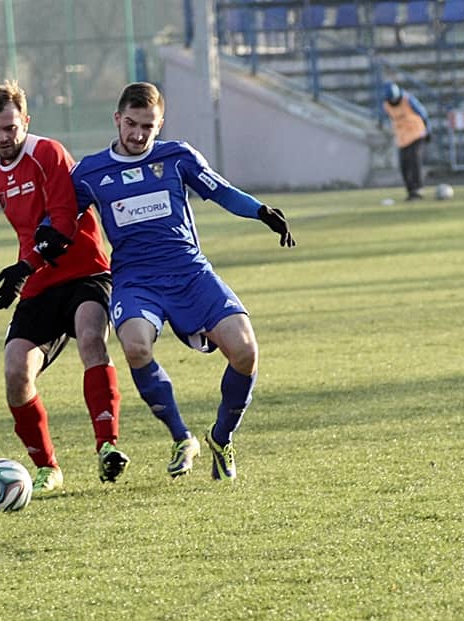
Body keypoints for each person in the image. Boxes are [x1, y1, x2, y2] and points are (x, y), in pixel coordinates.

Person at [70, 82, 295, 481]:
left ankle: (221, 438)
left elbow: (221, 191)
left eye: (148, 126)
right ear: (117, 119)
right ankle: (181, 437)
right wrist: (37, 250)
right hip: (136, 280)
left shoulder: (177, 157)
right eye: (132, 123)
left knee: (245, 351)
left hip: (190, 273)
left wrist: (261, 212)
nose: (138, 134)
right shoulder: (90, 172)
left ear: (160, 124)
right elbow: (60, 218)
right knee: (135, 345)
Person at [0, 80, 129, 493]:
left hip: (86, 272)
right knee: (16, 372)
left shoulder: (48, 153)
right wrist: (23, 274)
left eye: (10, 128)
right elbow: (28, 232)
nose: (3, 137)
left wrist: (23, 267)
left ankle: (107, 446)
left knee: (91, 338)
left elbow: (63, 221)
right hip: (40, 281)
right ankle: (48, 467)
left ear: (26, 121)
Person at [382, 81, 431, 201]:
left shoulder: (408, 99)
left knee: (414, 160)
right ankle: (411, 191)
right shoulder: (386, 105)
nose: (394, 102)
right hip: (403, 138)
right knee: (404, 165)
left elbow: (423, 114)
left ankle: (418, 189)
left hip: (417, 133)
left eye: (395, 99)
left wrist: (428, 130)